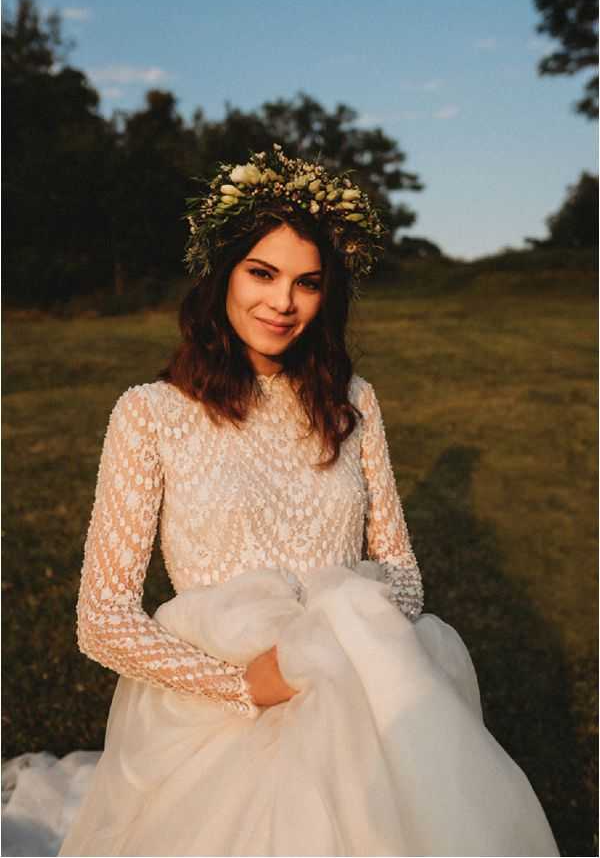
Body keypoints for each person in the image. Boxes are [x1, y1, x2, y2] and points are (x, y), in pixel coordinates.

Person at [53, 145, 559, 856]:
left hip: (355, 689)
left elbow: (403, 570)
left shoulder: (355, 403)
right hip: (219, 710)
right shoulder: (150, 413)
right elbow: (102, 619)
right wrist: (245, 685)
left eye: (307, 282)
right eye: (262, 272)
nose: (283, 302)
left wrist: (346, 642)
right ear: (222, 271)